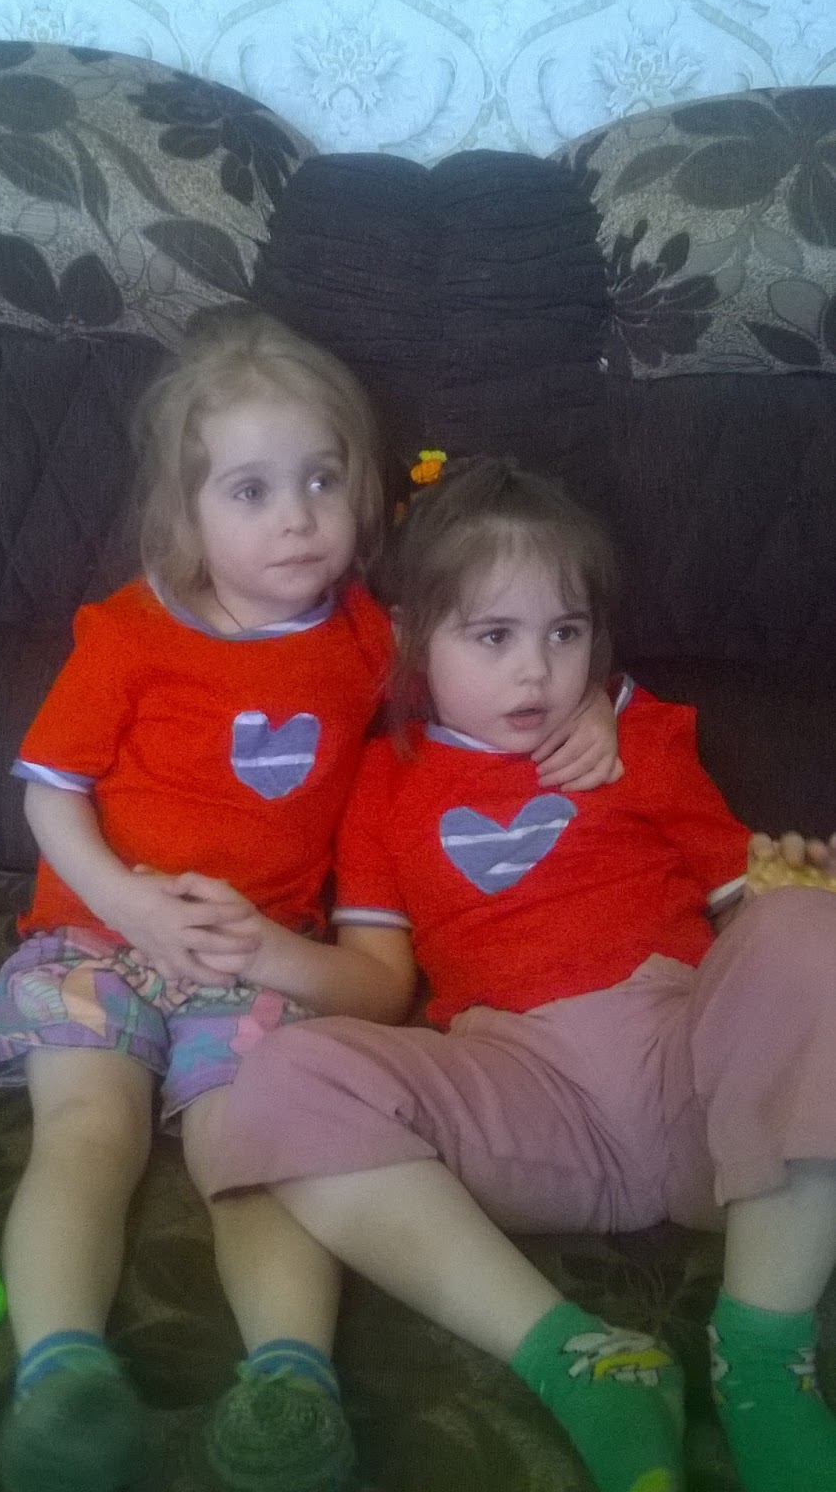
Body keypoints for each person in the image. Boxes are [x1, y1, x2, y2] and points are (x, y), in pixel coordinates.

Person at [0, 325, 620, 1492]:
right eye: (251, 489)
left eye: (322, 479)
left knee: (251, 1151)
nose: (297, 517)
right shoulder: (129, 634)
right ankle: (59, 1374)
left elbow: (503, 650)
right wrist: (128, 904)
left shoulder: (368, 637)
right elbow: (48, 795)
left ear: (361, 492)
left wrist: (601, 704)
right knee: (90, 1129)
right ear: (185, 512)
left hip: (256, 960)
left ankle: (289, 1383)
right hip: (98, 934)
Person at [202, 457, 836, 1492]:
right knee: (275, 1077)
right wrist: (269, 952)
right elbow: (379, 984)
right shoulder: (383, 783)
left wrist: (796, 893)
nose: (537, 673)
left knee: (810, 928)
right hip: (523, 1103)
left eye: (565, 633)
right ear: (413, 640)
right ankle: (578, 1359)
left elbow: (745, 909)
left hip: (701, 1098)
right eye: (493, 637)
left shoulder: (641, 736)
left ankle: (762, 1353)